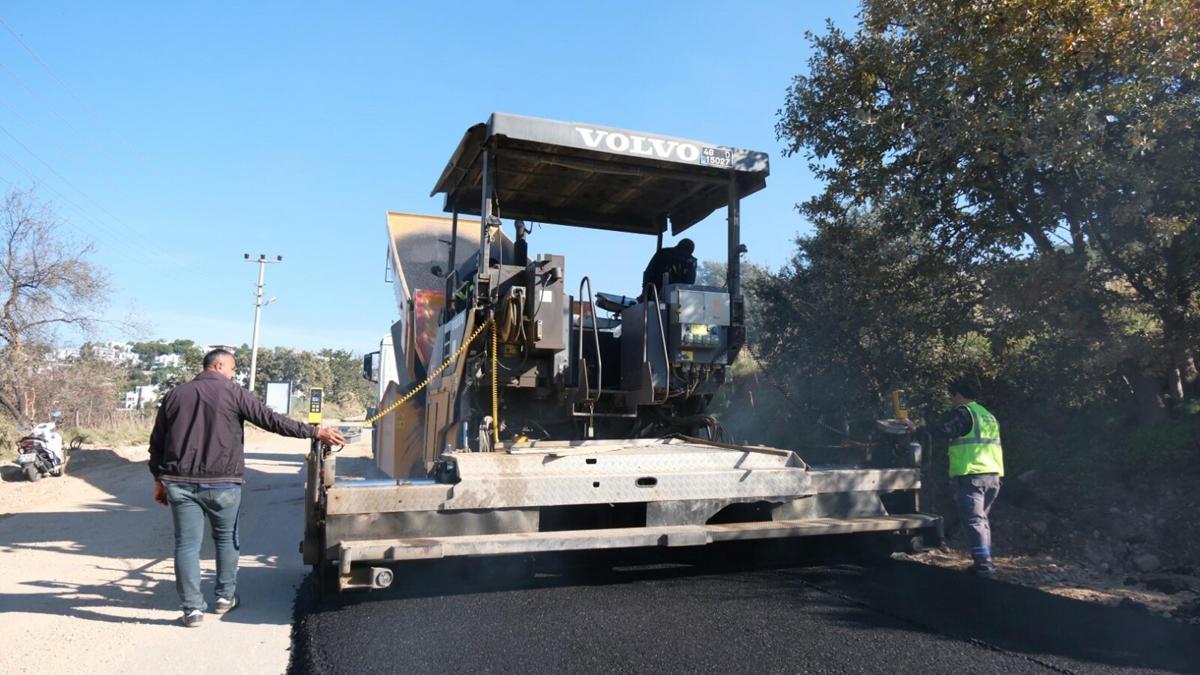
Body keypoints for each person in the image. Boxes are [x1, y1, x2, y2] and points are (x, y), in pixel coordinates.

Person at [148, 349, 346, 627]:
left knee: (186, 545)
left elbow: (157, 442)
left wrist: (158, 480)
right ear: (218, 365)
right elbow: (271, 420)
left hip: (179, 483)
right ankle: (224, 597)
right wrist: (315, 432)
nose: (233, 375)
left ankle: (192, 610)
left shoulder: (175, 395)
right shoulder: (233, 393)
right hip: (223, 483)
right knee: (226, 540)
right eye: (232, 369)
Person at [903, 379, 1004, 577]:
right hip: (993, 475)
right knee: (981, 521)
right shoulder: (987, 415)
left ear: (958, 394)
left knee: (974, 521)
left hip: (973, 474)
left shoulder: (965, 412)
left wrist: (917, 429)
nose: (951, 401)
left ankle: (984, 566)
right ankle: (984, 561)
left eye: (951, 396)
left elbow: (945, 430)